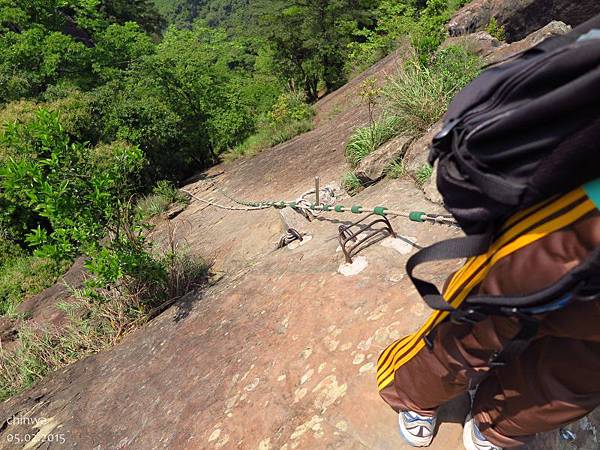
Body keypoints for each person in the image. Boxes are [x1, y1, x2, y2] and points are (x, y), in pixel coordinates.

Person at [377, 182, 600, 449]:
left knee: (585, 369)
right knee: (477, 324)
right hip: (584, 220)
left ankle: (499, 422)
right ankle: (413, 392)